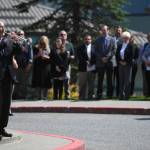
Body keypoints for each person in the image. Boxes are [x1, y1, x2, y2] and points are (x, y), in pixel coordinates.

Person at [0, 21, 20, 139]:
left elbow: (19, 51)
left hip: (8, 75)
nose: (1, 28)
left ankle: (2, 127)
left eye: (2, 26)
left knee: (6, 103)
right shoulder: (4, 41)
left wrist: (16, 42)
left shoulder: (9, 40)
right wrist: (6, 40)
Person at [95, 25, 115, 99]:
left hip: (109, 62)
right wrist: (102, 58)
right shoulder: (98, 40)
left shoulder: (112, 39)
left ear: (108, 31)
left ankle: (109, 94)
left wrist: (107, 57)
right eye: (102, 30)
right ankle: (99, 94)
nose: (104, 31)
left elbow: (114, 50)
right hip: (100, 62)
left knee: (110, 79)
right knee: (100, 79)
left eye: (105, 30)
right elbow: (95, 51)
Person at [13, 30, 33, 99]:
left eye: (22, 34)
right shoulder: (14, 43)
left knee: (24, 83)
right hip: (16, 67)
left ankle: (23, 97)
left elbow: (30, 56)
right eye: (19, 34)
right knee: (16, 82)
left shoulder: (28, 44)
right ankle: (15, 96)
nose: (20, 35)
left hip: (25, 67)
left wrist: (29, 65)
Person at [76, 35, 96, 100]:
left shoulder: (94, 47)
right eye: (86, 39)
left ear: (91, 40)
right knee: (82, 84)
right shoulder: (80, 47)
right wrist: (86, 62)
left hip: (92, 68)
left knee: (91, 84)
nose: (87, 40)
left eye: (89, 39)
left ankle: (90, 97)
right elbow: (79, 56)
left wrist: (91, 63)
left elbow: (96, 57)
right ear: (84, 40)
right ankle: (81, 97)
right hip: (83, 68)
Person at [116, 31, 133, 100]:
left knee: (127, 81)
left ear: (129, 38)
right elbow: (117, 55)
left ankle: (127, 96)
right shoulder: (120, 45)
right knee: (121, 80)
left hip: (127, 65)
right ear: (122, 38)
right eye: (124, 38)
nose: (125, 39)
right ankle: (121, 95)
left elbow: (131, 56)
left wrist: (126, 62)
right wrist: (120, 61)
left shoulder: (131, 46)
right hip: (120, 65)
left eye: (126, 38)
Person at [59, 30, 75, 99]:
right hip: (58, 66)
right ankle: (58, 96)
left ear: (66, 36)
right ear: (59, 36)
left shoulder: (70, 45)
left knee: (67, 81)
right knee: (58, 81)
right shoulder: (57, 43)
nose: (63, 36)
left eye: (64, 34)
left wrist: (71, 57)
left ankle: (67, 96)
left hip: (67, 66)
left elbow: (73, 55)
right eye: (61, 35)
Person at [113, 26, 123, 97]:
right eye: (117, 30)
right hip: (112, 60)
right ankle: (110, 94)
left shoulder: (123, 39)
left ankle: (118, 93)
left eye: (119, 30)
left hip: (120, 61)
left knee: (119, 78)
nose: (118, 32)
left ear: (121, 31)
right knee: (111, 78)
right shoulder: (112, 39)